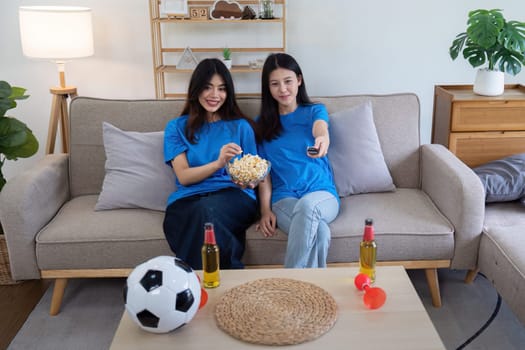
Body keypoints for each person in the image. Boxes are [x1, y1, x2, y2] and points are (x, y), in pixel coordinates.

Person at [163, 58, 258, 270]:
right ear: (196, 89)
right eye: (208, 87)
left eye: (222, 89)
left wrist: (248, 181)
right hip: (187, 199)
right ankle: (229, 276)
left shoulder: (241, 127)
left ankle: (192, 280)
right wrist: (218, 163)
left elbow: (254, 172)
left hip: (234, 196)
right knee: (201, 213)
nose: (215, 95)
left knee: (207, 212)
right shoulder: (176, 128)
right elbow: (184, 177)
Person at [256, 53, 340, 268]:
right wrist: (265, 210)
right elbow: (263, 173)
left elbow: (320, 127)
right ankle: (311, 293)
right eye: (275, 84)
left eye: (288, 81)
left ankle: (289, 283)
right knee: (320, 233)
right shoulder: (261, 125)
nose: (283, 89)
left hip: (321, 194)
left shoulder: (314, 111)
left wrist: (322, 138)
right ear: (268, 88)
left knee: (308, 206)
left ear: (299, 80)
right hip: (284, 199)